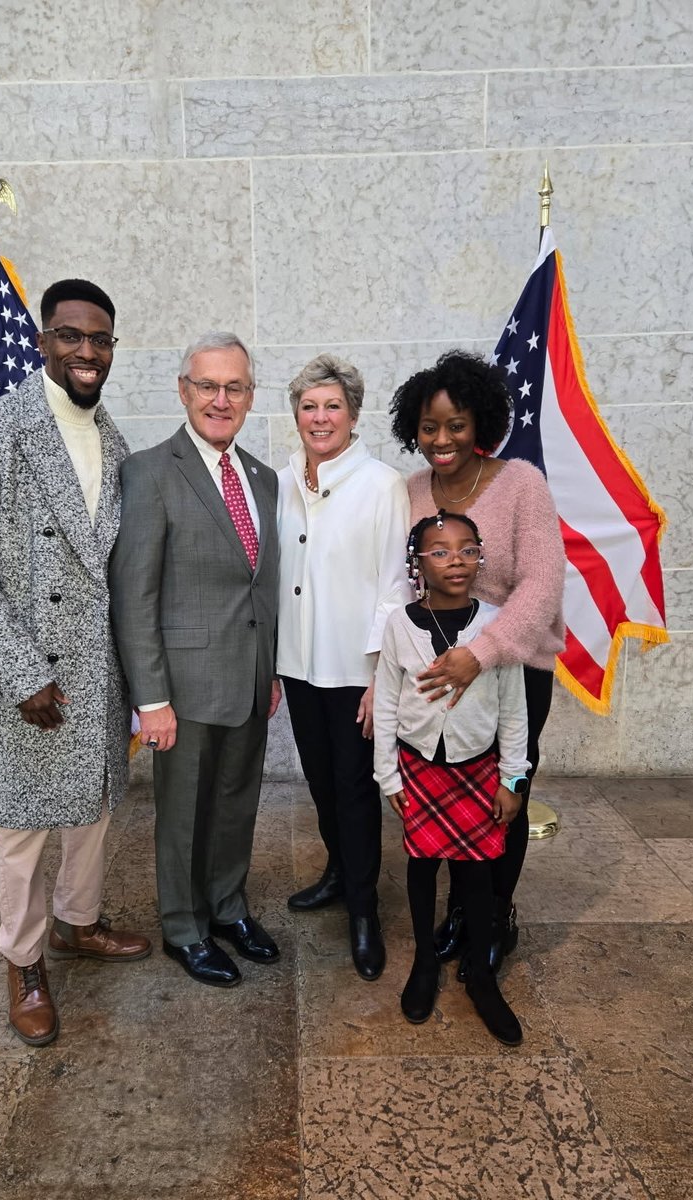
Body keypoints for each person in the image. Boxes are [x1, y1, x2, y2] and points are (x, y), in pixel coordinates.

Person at [0, 279, 151, 1048]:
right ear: (41, 341)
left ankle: (78, 923)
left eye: (100, 340)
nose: (86, 352)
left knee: (92, 807)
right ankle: (23, 962)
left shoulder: (117, 441)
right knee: (24, 827)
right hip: (24, 678)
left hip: (97, 670)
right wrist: (22, 672)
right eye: (70, 336)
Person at [109, 332, 281, 988]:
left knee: (237, 802)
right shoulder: (151, 472)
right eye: (207, 385)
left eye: (234, 387)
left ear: (249, 396)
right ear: (184, 391)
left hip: (250, 677)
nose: (220, 398)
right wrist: (150, 698)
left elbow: (259, 583)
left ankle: (228, 907)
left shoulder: (261, 478)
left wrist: (270, 669)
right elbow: (135, 592)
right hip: (180, 688)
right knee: (183, 812)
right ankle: (183, 926)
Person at [389, 349, 565, 977]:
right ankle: (461, 913)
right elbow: (401, 587)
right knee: (450, 790)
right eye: (430, 427)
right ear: (414, 426)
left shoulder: (521, 483)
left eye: (456, 425)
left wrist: (480, 654)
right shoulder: (408, 491)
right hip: (437, 675)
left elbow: (543, 587)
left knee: (502, 793)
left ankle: (495, 915)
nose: (442, 439)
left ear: (480, 423)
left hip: (510, 668)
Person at [277, 353, 411, 980]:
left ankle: (364, 908)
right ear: (296, 414)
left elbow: (395, 587)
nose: (320, 416)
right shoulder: (279, 483)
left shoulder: (383, 485)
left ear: (354, 415)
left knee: (357, 791)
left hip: (356, 671)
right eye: (309, 406)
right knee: (322, 782)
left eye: (332, 405)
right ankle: (337, 871)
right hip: (299, 666)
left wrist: (381, 674)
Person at [373, 511, 528, 1045]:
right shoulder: (399, 624)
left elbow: (514, 708)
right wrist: (388, 777)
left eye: (466, 549)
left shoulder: (496, 625)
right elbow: (389, 704)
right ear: (417, 564)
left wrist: (513, 778)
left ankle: (483, 977)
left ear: (480, 555)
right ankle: (424, 962)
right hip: (420, 769)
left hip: (478, 769)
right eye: (439, 551)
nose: (455, 560)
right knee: (421, 865)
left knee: (482, 871)